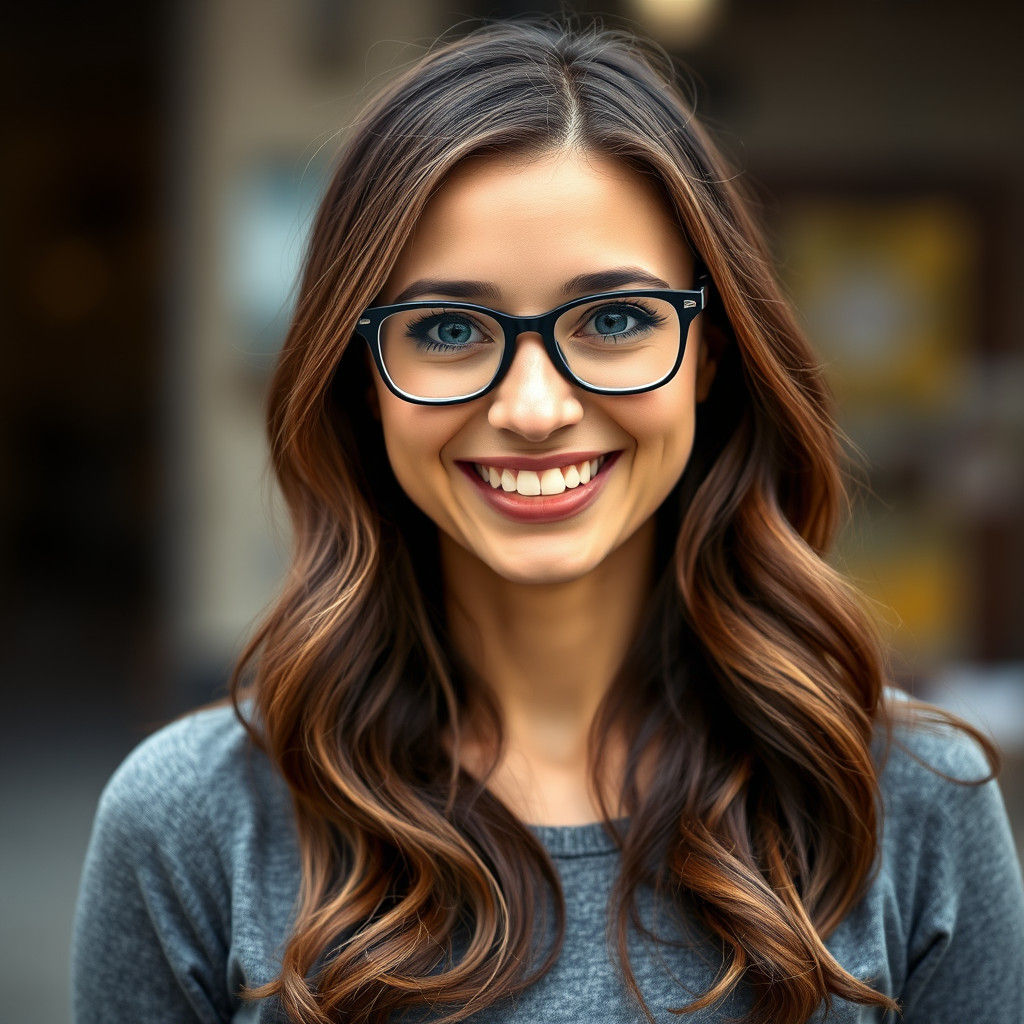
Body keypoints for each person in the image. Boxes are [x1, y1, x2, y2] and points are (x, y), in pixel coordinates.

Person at [71, 15, 1024, 1024]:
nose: (533, 409)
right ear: (363, 381)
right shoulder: (192, 824)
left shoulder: (909, 801)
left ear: (709, 354)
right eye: (446, 328)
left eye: (613, 319)